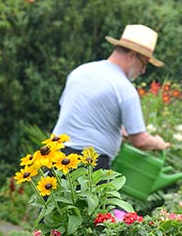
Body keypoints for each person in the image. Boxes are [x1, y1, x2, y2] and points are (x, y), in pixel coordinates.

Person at [52, 24, 170, 169]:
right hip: (88, 164)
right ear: (131, 55)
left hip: (55, 157)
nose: (143, 70)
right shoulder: (124, 88)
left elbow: (77, 111)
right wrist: (158, 143)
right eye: (144, 63)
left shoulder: (81, 71)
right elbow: (141, 141)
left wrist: (118, 130)